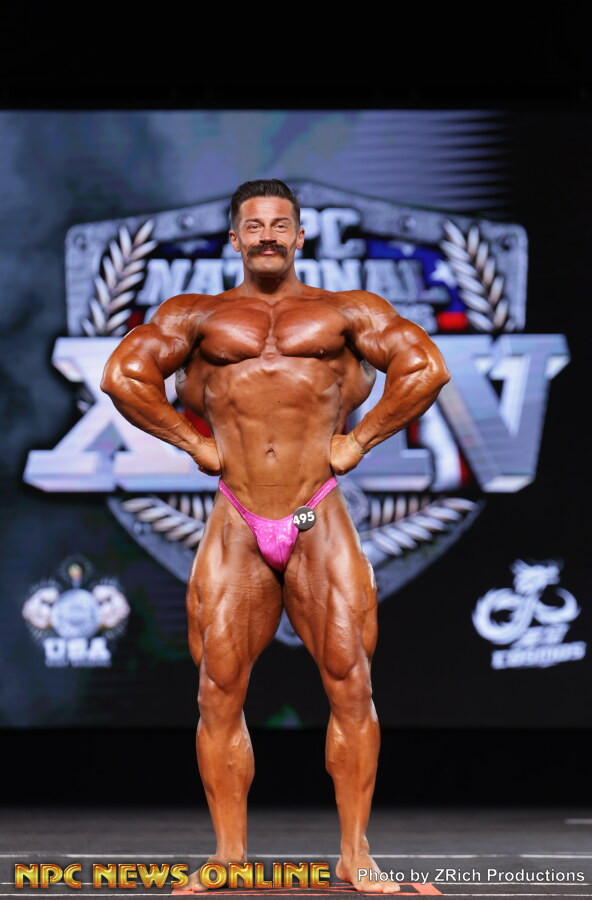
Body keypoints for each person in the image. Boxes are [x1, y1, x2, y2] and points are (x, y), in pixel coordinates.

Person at [101, 179, 450, 893]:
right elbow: (123, 375)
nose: (267, 235)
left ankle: (355, 856)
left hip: (316, 512)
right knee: (217, 690)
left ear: (300, 235)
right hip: (237, 515)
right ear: (234, 238)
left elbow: (425, 368)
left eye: (280, 224)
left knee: (351, 683)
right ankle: (228, 860)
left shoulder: (347, 311)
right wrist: (190, 442)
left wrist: (361, 439)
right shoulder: (194, 316)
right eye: (254, 225)